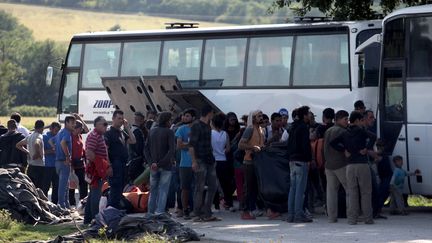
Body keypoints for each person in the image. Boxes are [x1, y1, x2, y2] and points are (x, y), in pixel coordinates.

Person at [330, 111, 377, 225]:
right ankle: (368, 218)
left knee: (352, 192)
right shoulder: (361, 131)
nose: (362, 122)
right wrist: (366, 148)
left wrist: (344, 150)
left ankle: (352, 219)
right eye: (361, 120)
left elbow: (333, 143)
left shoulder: (345, 133)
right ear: (357, 121)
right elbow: (373, 137)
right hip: (362, 164)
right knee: (365, 192)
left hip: (350, 165)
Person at [189, 105, 220, 222]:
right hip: (200, 160)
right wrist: (193, 161)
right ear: (209, 113)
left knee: (213, 186)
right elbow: (191, 145)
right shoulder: (196, 126)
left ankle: (207, 212)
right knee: (199, 187)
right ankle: (197, 213)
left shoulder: (207, 125)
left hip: (209, 159)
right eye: (212, 113)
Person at [144, 112, 175, 215]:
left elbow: (146, 149)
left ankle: (150, 213)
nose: (171, 122)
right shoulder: (169, 132)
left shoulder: (152, 131)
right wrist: (160, 163)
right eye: (170, 120)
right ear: (167, 121)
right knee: (163, 190)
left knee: (153, 191)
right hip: (165, 166)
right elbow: (171, 150)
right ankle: (160, 213)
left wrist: (151, 162)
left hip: (153, 166)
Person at [105, 110, 136, 209]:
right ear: (113, 119)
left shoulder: (121, 132)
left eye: (122, 118)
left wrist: (127, 127)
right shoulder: (109, 133)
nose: (121, 121)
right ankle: (110, 211)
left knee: (120, 189)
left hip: (123, 164)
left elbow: (133, 140)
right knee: (115, 188)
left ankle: (116, 210)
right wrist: (109, 165)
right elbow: (105, 150)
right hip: (115, 163)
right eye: (118, 118)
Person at [287, 106, 313, 223]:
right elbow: (305, 145)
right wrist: (309, 159)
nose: (310, 116)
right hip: (301, 160)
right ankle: (298, 214)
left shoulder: (292, 127)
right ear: (304, 115)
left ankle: (291, 214)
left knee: (293, 188)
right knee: (300, 189)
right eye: (308, 114)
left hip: (292, 160)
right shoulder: (303, 127)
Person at [323, 110, 349, 223]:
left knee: (331, 192)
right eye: (345, 119)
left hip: (329, 165)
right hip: (341, 164)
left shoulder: (328, 130)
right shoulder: (342, 131)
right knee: (350, 190)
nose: (347, 121)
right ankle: (352, 214)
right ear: (338, 119)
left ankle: (332, 217)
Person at [238, 110, 265, 220]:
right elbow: (241, 145)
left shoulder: (261, 130)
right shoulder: (249, 129)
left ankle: (252, 209)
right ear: (253, 118)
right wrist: (252, 148)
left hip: (258, 162)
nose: (261, 117)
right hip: (249, 162)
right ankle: (245, 211)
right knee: (248, 188)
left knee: (255, 188)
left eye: (261, 116)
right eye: (258, 116)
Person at [84, 116, 110, 225]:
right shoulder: (94, 136)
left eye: (106, 124)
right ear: (97, 125)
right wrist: (101, 165)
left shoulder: (98, 135)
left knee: (92, 195)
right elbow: (89, 153)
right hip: (96, 171)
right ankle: (95, 220)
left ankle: (88, 219)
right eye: (104, 124)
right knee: (96, 195)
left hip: (97, 169)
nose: (106, 126)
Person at [175, 108, 196, 219]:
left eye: (187, 116)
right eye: (184, 116)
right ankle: (185, 209)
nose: (184, 118)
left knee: (197, 187)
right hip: (184, 163)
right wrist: (192, 144)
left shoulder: (198, 129)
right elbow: (179, 145)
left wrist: (186, 143)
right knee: (185, 188)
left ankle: (195, 209)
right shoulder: (181, 129)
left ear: (193, 117)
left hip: (197, 162)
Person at [211, 113, 234, 211]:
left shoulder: (210, 133)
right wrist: (222, 152)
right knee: (225, 183)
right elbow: (228, 148)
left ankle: (216, 204)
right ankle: (229, 202)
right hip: (223, 160)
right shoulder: (225, 134)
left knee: (214, 183)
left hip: (214, 160)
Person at [16, 120, 45, 189]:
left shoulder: (30, 136)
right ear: (42, 128)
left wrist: (27, 152)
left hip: (30, 166)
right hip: (39, 166)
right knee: (39, 188)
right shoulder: (39, 136)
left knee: (31, 188)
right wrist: (37, 153)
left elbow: (18, 145)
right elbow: (37, 143)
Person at [55, 115, 76, 209]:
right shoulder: (67, 133)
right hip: (64, 162)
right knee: (63, 185)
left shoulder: (60, 132)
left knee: (66, 184)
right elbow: (63, 143)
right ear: (66, 122)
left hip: (58, 162)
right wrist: (68, 156)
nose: (74, 125)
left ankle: (66, 204)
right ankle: (62, 206)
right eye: (72, 123)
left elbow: (52, 142)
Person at [69, 117, 89, 207]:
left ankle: (83, 201)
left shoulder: (79, 135)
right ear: (76, 128)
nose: (81, 130)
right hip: (73, 163)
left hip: (81, 163)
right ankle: (72, 203)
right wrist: (71, 164)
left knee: (83, 184)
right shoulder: (70, 136)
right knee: (72, 184)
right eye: (80, 129)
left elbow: (87, 129)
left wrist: (80, 118)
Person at [42, 122, 61, 203]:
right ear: (51, 129)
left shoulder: (59, 137)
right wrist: (52, 151)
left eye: (58, 131)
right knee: (45, 186)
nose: (56, 132)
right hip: (47, 166)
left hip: (57, 166)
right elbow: (41, 151)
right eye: (55, 130)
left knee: (56, 186)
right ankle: (44, 203)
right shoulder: (45, 137)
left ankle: (54, 204)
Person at [128, 112, 147, 183]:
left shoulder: (129, 129)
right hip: (137, 159)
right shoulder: (138, 131)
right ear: (142, 120)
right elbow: (140, 147)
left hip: (130, 158)